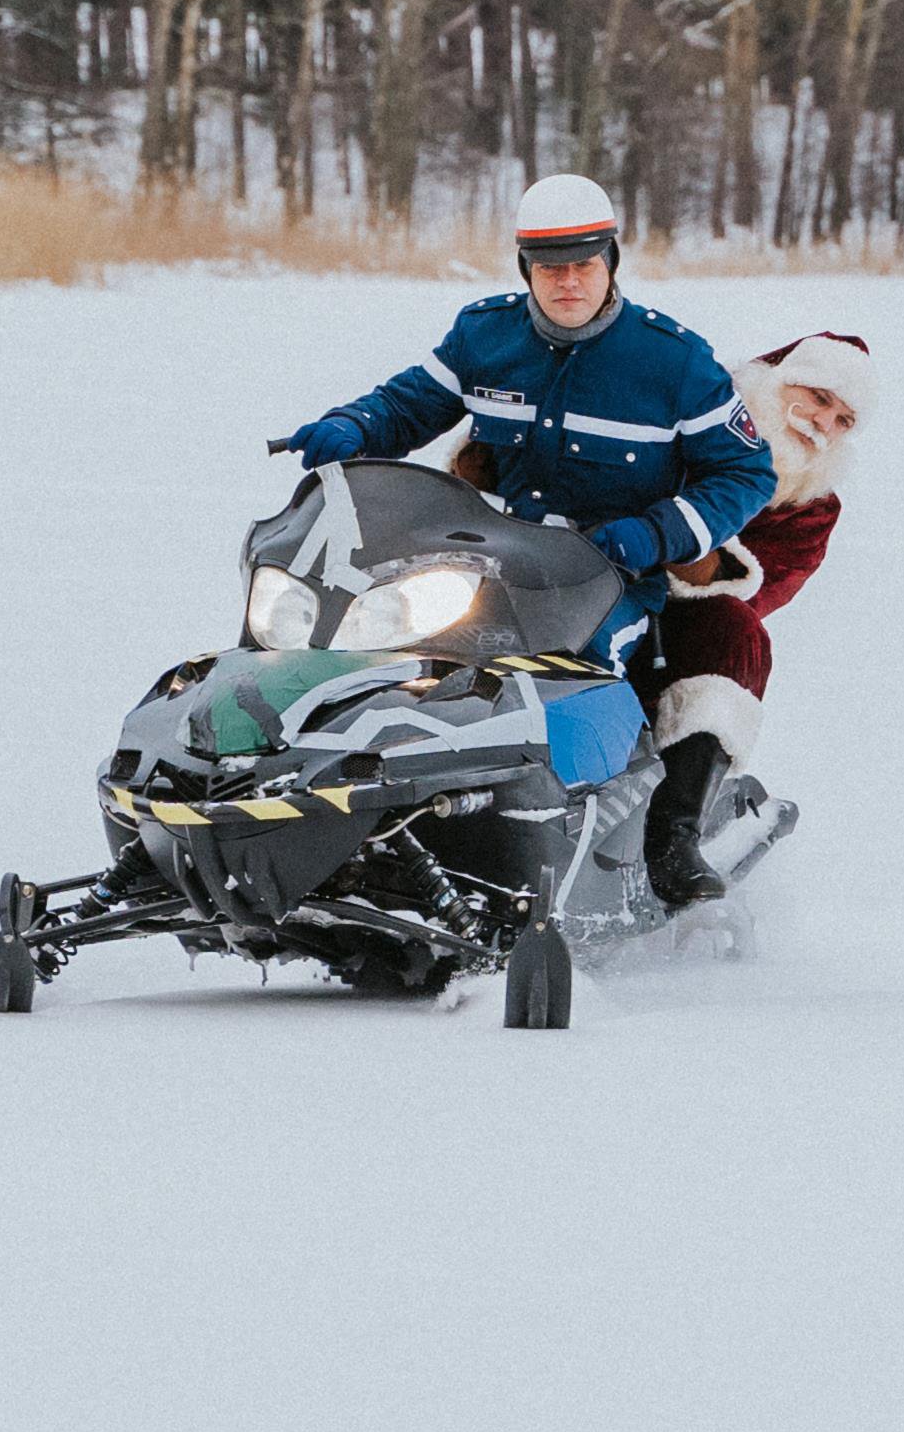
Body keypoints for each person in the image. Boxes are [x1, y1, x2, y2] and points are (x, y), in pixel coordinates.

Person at [277, 174, 777, 903]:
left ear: (611, 261)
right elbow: (410, 403)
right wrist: (353, 426)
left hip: (608, 572)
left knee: (562, 677)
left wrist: (656, 532)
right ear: (525, 269)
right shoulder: (487, 335)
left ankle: (598, 842)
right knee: (398, 656)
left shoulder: (674, 362)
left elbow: (745, 473)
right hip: (495, 558)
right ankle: (371, 820)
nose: (568, 282)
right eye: (550, 268)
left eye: (584, 264)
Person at [626, 330, 873, 906]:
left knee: (737, 632)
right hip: (572, 568)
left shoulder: (811, 508)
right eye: (816, 396)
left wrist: (700, 563)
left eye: (844, 420)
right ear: (775, 379)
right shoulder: (685, 414)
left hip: (669, 624)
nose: (822, 423)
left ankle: (673, 836)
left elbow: (770, 582)